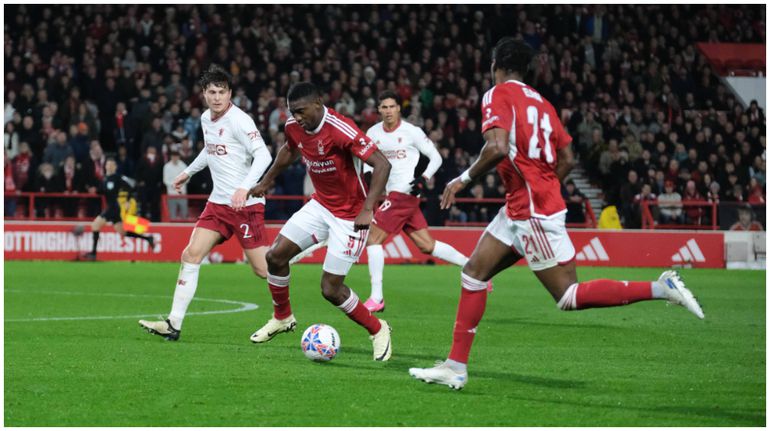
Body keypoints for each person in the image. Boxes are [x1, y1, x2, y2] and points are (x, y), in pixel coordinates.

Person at [408, 38, 704, 390]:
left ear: (496, 65)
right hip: (524, 205)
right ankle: (455, 367)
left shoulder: (497, 94)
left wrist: (462, 179)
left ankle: (661, 287)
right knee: (474, 273)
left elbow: (498, 147)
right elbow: (568, 159)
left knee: (567, 296)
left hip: (530, 211)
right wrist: (543, 187)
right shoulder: (544, 103)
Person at [247, 82, 394, 361]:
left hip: (350, 216)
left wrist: (367, 208)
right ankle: (283, 317)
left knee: (330, 289)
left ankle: (378, 329)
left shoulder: (340, 129)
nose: (297, 118)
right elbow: (290, 150)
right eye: (293, 112)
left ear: (318, 103)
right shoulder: (294, 125)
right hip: (320, 205)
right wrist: (266, 181)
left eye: (301, 111)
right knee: (275, 256)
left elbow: (383, 164)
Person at [138, 65, 272, 341]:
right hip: (218, 205)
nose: (217, 97)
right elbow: (210, 149)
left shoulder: (240, 120)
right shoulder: (205, 119)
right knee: (190, 255)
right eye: (212, 92)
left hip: (245, 206)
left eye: (222, 92)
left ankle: (296, 255)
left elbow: (264, 155)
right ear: (204, 94)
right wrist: (188, 171)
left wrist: (244, 188)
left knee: (264, 270)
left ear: (230, 93)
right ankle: (173, 324)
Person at [356, 90, 475, 311]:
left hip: (404, 192)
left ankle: (377, 297)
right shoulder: (373, 133)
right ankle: (473, 268)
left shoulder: (412, 132)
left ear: (399, 108)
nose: (389, 111)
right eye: (384, 107)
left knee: (373, 239)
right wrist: (370, 177)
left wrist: (424, 177)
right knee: (426, 245)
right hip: (396, 195)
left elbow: (436, 157)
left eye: (392, 106)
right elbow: (367, 163)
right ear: (379, 110)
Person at [82, 157, 155, 260]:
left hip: (113, 208)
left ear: (115, 167)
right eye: (108, 164)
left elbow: (132, 188)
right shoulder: (105, 179)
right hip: (114, 209)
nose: (110, 166)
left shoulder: (118, 178)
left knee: (95, 225)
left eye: (112, 165)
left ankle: (93, 254)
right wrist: (95, 190)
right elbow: (103, 191)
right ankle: (148, 238)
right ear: (105, 166)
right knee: (123, 232)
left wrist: (129, 200)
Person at [163, 150, 189, 220]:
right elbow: (165, 180)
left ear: (179, 157)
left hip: (182, 193)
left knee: (184, 213)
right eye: (173, 156)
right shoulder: (167, 166)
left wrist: (179, 184)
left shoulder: (183, 165)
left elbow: (187, 178)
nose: (175, 158)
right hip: (171, 194)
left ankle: (185, 230)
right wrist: (175, 184)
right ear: (171, 157)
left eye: (176, 156)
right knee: (172, 214)